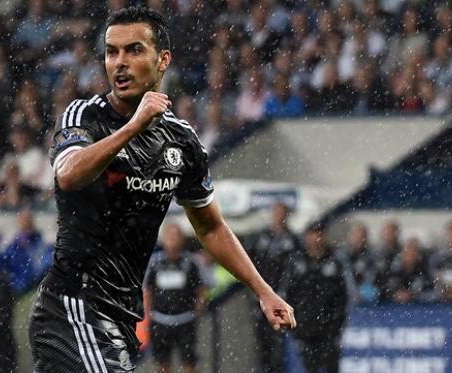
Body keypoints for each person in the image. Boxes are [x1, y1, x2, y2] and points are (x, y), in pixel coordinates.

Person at [29, 7, 295, 373]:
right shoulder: (84, 116)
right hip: (73, 305)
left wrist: (263, 290)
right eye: (112, 52)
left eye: (133, 50)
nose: (119, 63)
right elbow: (68, 175)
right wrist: (133, 127)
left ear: (162, 59)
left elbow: (211, 228)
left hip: (120, 317)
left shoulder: (182, 141)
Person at [283, 224, 350, 373]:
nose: (316, 239)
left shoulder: (335, 260)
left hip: (329, 329)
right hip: (306, 328)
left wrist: (336, 326)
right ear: (307, 237)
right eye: (313, 235)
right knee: (310, 368)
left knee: (332, 367)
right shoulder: (297, 261)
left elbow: (344, 296)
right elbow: (288, 294)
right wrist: (296, 327)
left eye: (319, 234)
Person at [243, 202, 300, 373]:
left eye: (282, 213)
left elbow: (297, 270)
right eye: (276, 212)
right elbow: (247, 264)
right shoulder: (260, 238)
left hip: (283, 301)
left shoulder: (294, 240)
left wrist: (286, 294)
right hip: (260, 299)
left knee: (279, 345)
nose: (278, 216)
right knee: (262, 345)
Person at [144, 223, 206, 373]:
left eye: (175, 236)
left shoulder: (191, 262)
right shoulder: (155, 262)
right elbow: (148, 290)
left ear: (182, 239)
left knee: (189, 363)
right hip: (160, 321)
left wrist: (198, 308)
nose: (172, 240)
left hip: (185, 320)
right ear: (163, 239)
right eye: (169, 236)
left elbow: (200, 288)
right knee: (162, 364)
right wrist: (148, 315)